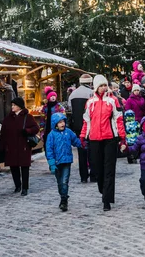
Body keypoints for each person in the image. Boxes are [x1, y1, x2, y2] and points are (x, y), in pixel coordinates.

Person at [80, 75, 126, 211]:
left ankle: (107, 199)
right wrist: (83, 136)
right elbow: (86, 121)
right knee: (97, 169)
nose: (103, 88)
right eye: (101, 85)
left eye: (105, 85)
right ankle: (103, 189)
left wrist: (122, 137)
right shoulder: (90, 102)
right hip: (94, 139)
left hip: (110, 138)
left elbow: (119, 119)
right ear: (96, 87)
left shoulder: (113, 100)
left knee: (109, 170)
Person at [0, 97, 39, 196]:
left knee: (24, 167)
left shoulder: (28, 117)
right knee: (14, 167)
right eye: (12, 105)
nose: (12, 107)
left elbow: (36, 128)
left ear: (19, 106)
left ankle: (25, 188)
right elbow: (3, 133)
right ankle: (17, 186)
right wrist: (2, 146)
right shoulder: (8, 118)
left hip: (23, 146)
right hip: (11, 147)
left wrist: (27, 131)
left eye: (14, 105)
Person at [46, 112, 82, 212]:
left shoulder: (68, 132)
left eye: (63, 122)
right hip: (57, 163)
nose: (62, 124)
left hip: (66, 161)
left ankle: (64, 200)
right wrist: (52, 163)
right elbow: (49, 150)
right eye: (60, 122)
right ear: (55, 124)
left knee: (64, 181)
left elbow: (75, 141)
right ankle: (63, 195)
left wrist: (83, 144)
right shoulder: (51, 135)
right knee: (60, 183)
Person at [67, 74, 95, 183]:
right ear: (90, 82)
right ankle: (93, 175)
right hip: (90, 125)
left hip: (78, 126)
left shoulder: (73, 94)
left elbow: (70, 108)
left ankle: (83, 176)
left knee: (81, 151)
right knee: (92, 151)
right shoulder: (91, 93)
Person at [39, 86, 66, 151]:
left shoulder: (59, 107)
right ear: (48, 98)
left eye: (54, 96)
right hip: (47, 131)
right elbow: (42, 121)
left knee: (57, 148)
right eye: (51, 96)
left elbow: (64, 117)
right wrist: (42, 132)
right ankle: (50, 160)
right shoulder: (45, 108)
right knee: (48, 148)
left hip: (57, 130)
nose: (53, 97)